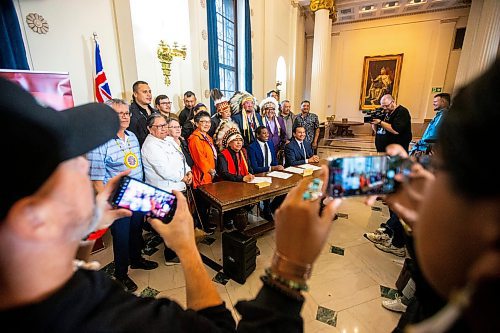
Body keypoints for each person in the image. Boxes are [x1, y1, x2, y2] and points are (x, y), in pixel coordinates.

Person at [0, 76, 347, 332]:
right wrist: (291, 268)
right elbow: (216, 324)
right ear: (34, 219)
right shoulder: (130, 323)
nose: (86, 167)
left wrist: (88, 221)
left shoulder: (36, 278)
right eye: (73, 158)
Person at [372, 58, 500, 332]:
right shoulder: (457, 296)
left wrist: (288, 274)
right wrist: (416, 235)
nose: (427, 175)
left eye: (437, 167)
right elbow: (440, 286)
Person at [88, 98, 158, 292]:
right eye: (120, 113)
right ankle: (121, 273)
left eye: (127, 113)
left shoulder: (132, 136)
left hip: (138, 193)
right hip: (118, 197)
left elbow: (138, 166)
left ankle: (136, 260)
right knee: (121, 237)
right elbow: (96, 180)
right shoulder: (100, 142)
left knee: (136, 230)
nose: (126, 116)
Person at [142, 114, 193, 265]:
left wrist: (188, 171)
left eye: (165, 125)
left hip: (177, 186)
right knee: (170, 225)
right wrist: (183, 177)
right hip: (164, 191)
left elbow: (181, 159)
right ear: (150, 129)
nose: (163, 128)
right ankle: (171, 256)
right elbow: (164, 171)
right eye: (159, 126)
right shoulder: (150, 146)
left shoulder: (169, 140)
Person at [365, 93, 412, 257]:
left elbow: (396, 130)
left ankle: (393, 237)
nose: (384, 108)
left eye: (386, 105)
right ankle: (389, 232)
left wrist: (381, 122)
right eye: (382, 106)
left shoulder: (402, 112)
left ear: (394, 101)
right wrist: (375, 124)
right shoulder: (386, 114)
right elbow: (379, 131)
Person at [188, 111, 218, 232]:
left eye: (208, 121)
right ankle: (203, 226)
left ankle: (206, 223)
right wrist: (210, 171)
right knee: (201, 204)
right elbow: (199, 159)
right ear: (196, 123)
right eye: (203, 122)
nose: (206, 124)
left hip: (209, 175)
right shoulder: (195, 139)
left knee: (206, 204)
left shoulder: (207, 136)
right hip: (201, 176)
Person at [248, 125, 286, 221]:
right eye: (264, 133)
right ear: (257, 135)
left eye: (267, 133)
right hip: (258, 175)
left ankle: (272, 207)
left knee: (285, 188)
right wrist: (272, 168)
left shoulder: (270, 143)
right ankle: (266, 209)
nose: (267, 135)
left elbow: (274, 160)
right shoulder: (252, 147)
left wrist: (277, 168)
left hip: (271, 173)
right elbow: (255, 168)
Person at [409, 92, 450, 156]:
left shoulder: (444, 115)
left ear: (443, 102)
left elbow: (433, 134)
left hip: (428, 149)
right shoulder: (439, 114)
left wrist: (420, 141)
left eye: (435, 102)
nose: (433, 104)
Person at [128, 80, 157, 147]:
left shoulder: (156, 112)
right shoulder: (129, 113)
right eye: (145, 92)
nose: (149, 95)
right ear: (135, 94)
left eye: (150, 92)